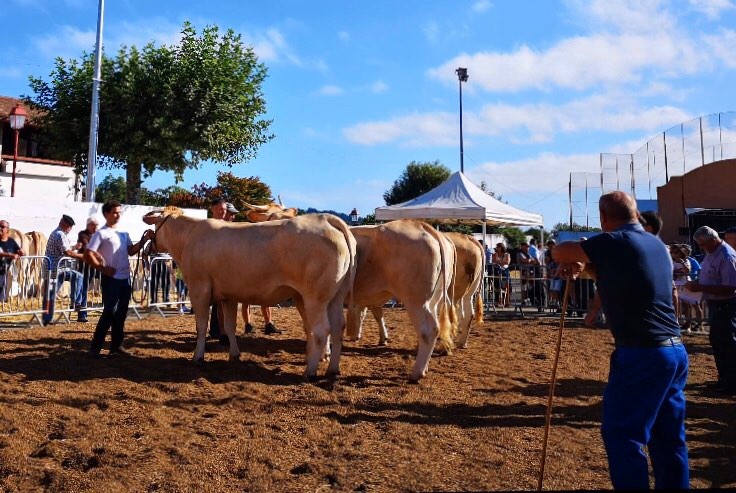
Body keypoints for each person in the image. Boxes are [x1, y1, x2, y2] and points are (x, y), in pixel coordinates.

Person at [552, 191, 689, 490]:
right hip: (675, 352)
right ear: (636, 213)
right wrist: (587, 265)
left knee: (622, 434)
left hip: (642, 354)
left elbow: (559, 251)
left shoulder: (613, 241)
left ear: (603, 218)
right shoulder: (655, 244)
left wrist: (577, 257)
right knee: (669, 438)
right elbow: (623, 273)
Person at [82, 200, 153, 358]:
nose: (118, 215)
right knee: (109, 312)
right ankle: (95, 347)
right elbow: (88, 254)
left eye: (119, 212)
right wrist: (102, 268)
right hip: (111, 279)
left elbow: (131, 251)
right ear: (107, 214)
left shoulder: (123, 234)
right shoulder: (101, 233)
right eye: (115, 212)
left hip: (125, 279)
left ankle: (116, 346)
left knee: (121, 313)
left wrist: (144, 240)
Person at [685, 226, 736, 394]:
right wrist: (699, 283)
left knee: (728, 343)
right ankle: (724, 378)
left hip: (726, 306)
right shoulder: (711, 252)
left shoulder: (726, 256)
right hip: (716, 305)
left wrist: (700, 286)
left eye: (702, 244)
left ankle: (732, 382)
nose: (700, 247)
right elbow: (711, 277)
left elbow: (729, 288)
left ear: (713, 240)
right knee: (718, 342)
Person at [43, 214, 86, 325]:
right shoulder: (60, 234)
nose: (70, 229)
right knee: (77, 277)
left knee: (51, 293)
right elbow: (67, 252)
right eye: (70, 227)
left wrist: (75, 248)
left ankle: (47, 318)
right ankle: (75, 302)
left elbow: (64, 249)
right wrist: (82, 256)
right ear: (68, 226)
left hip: (55, 268)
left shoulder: (57, 233)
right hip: (56, 268)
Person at [208, 198, 228, 341]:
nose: (223, 211)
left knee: (222, 303)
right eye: (221, 209)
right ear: (213, 209)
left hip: (224, 270)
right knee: (204, 303)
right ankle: (206, 331)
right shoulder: (207, 226)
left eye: (225, 209)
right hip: (209, 269)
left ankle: (221, 331)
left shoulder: (227, 226)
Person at [75, 216, 100, 321]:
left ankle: (108, 310)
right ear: (89, 225)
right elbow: (86, 248)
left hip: (95, 266)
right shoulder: (83, 234)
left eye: (97, 225)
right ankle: (82, 314)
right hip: (84, 266)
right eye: (94, 225)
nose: (96, 227)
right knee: (83, 289)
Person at [0, 220, 25, 302]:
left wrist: (21, 252)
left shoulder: (11, 241)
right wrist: (10, 255)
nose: (0, 228)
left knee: (2, 295)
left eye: (2, 227)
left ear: (7, 230)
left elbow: (19, 251)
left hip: (4, 272)